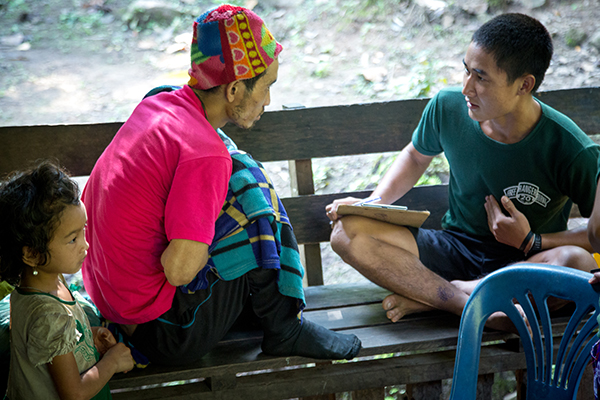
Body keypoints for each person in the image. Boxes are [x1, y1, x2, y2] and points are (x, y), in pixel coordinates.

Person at [81, 4, 361, 366]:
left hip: (114, 305)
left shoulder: (160, 105)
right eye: (266, 86)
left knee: (237, 183)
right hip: (163, 332)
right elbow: (179, 271)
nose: (268, 101)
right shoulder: (205, 153)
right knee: (250, 192)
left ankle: (272, 313)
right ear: (233, 90)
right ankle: (284, 328)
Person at [327, 13, 600, 331]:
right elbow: (416, 156)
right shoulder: (448, 107)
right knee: (347, 231)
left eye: (481, 78)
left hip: (524, 264)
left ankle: (430, 296)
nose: (466, 87)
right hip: (455, 249)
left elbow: (595, 235)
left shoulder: (569, 147)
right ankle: (468, 305)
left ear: (524, 85)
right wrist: (372, 203)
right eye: (466, 70)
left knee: (575, 263)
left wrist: (532, 240)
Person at [0, 160, 134, 399]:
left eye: (83, 230)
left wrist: (88, 337)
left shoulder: (36, 287)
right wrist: (112, 362)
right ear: (32, 254)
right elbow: (73, 394)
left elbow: (49, 348)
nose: (85, 245)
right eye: (72, 239)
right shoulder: (49, 316)